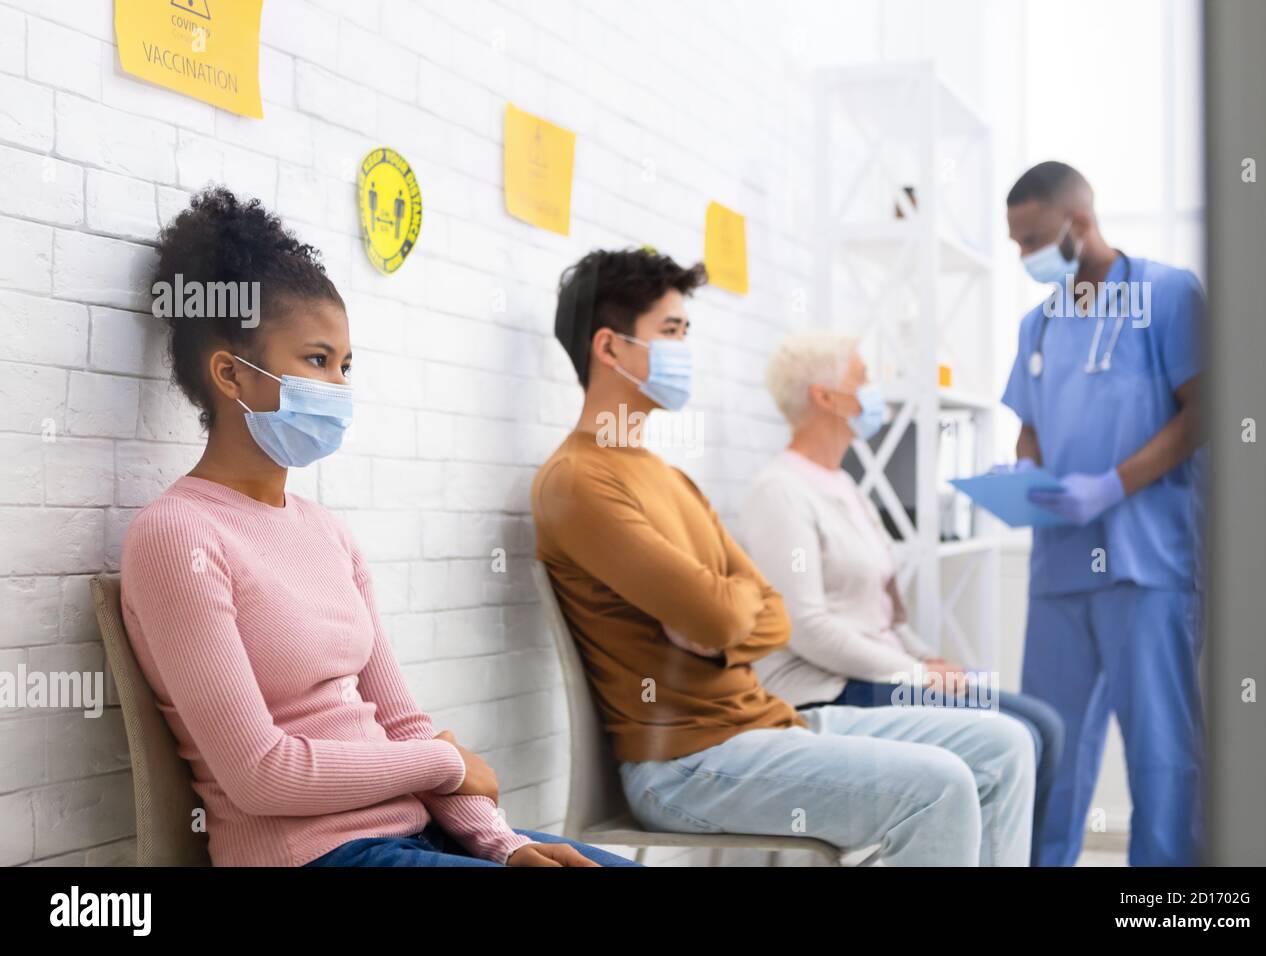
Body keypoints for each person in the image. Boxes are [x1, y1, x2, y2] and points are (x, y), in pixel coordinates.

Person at [119, 186, 637, 868]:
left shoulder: (327, 534)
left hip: (417, 831)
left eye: (345, 364)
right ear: (230, 376)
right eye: (315, 360)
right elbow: (260, 774)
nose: (337, 385)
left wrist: (502, 844)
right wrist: (442, 767)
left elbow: (401, 724)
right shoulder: (178, 536)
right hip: (313, 855)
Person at [530, 247, 1036, 866]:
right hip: (689, 763)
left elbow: (772, 616)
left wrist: (720, 616)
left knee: (1007, 745)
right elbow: (723, 616)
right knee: (941, 787)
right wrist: (723, 614)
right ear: (609, 348)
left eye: (687, 331)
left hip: (768, 726)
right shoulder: (578, 480)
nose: (685, 348)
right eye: (670, 331)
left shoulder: (671, 479)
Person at [737, 329, 1064, 866]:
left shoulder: (843, 486)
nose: (874, 392)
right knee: (1022, 734)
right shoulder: (779, 492)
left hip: (883, 672)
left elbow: (884, 611)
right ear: (824, 397)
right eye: (862, 379)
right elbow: (807, 627)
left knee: (1043, 725)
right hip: (830, 687)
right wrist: (913, 674)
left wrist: (926, 658)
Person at [999, 161, 1207, 866]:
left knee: (1161, 755)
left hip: (1149, 562)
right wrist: (1022, 473)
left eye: (1031, 240)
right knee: (1050, 750)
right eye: (1015, 244)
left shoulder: (1169, 294)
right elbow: (1029, 424)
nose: (1024, 257)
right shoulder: (1038, 323)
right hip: (1059, 570)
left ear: (1078, 223)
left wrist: (1113, 487)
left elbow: (1203, 410)